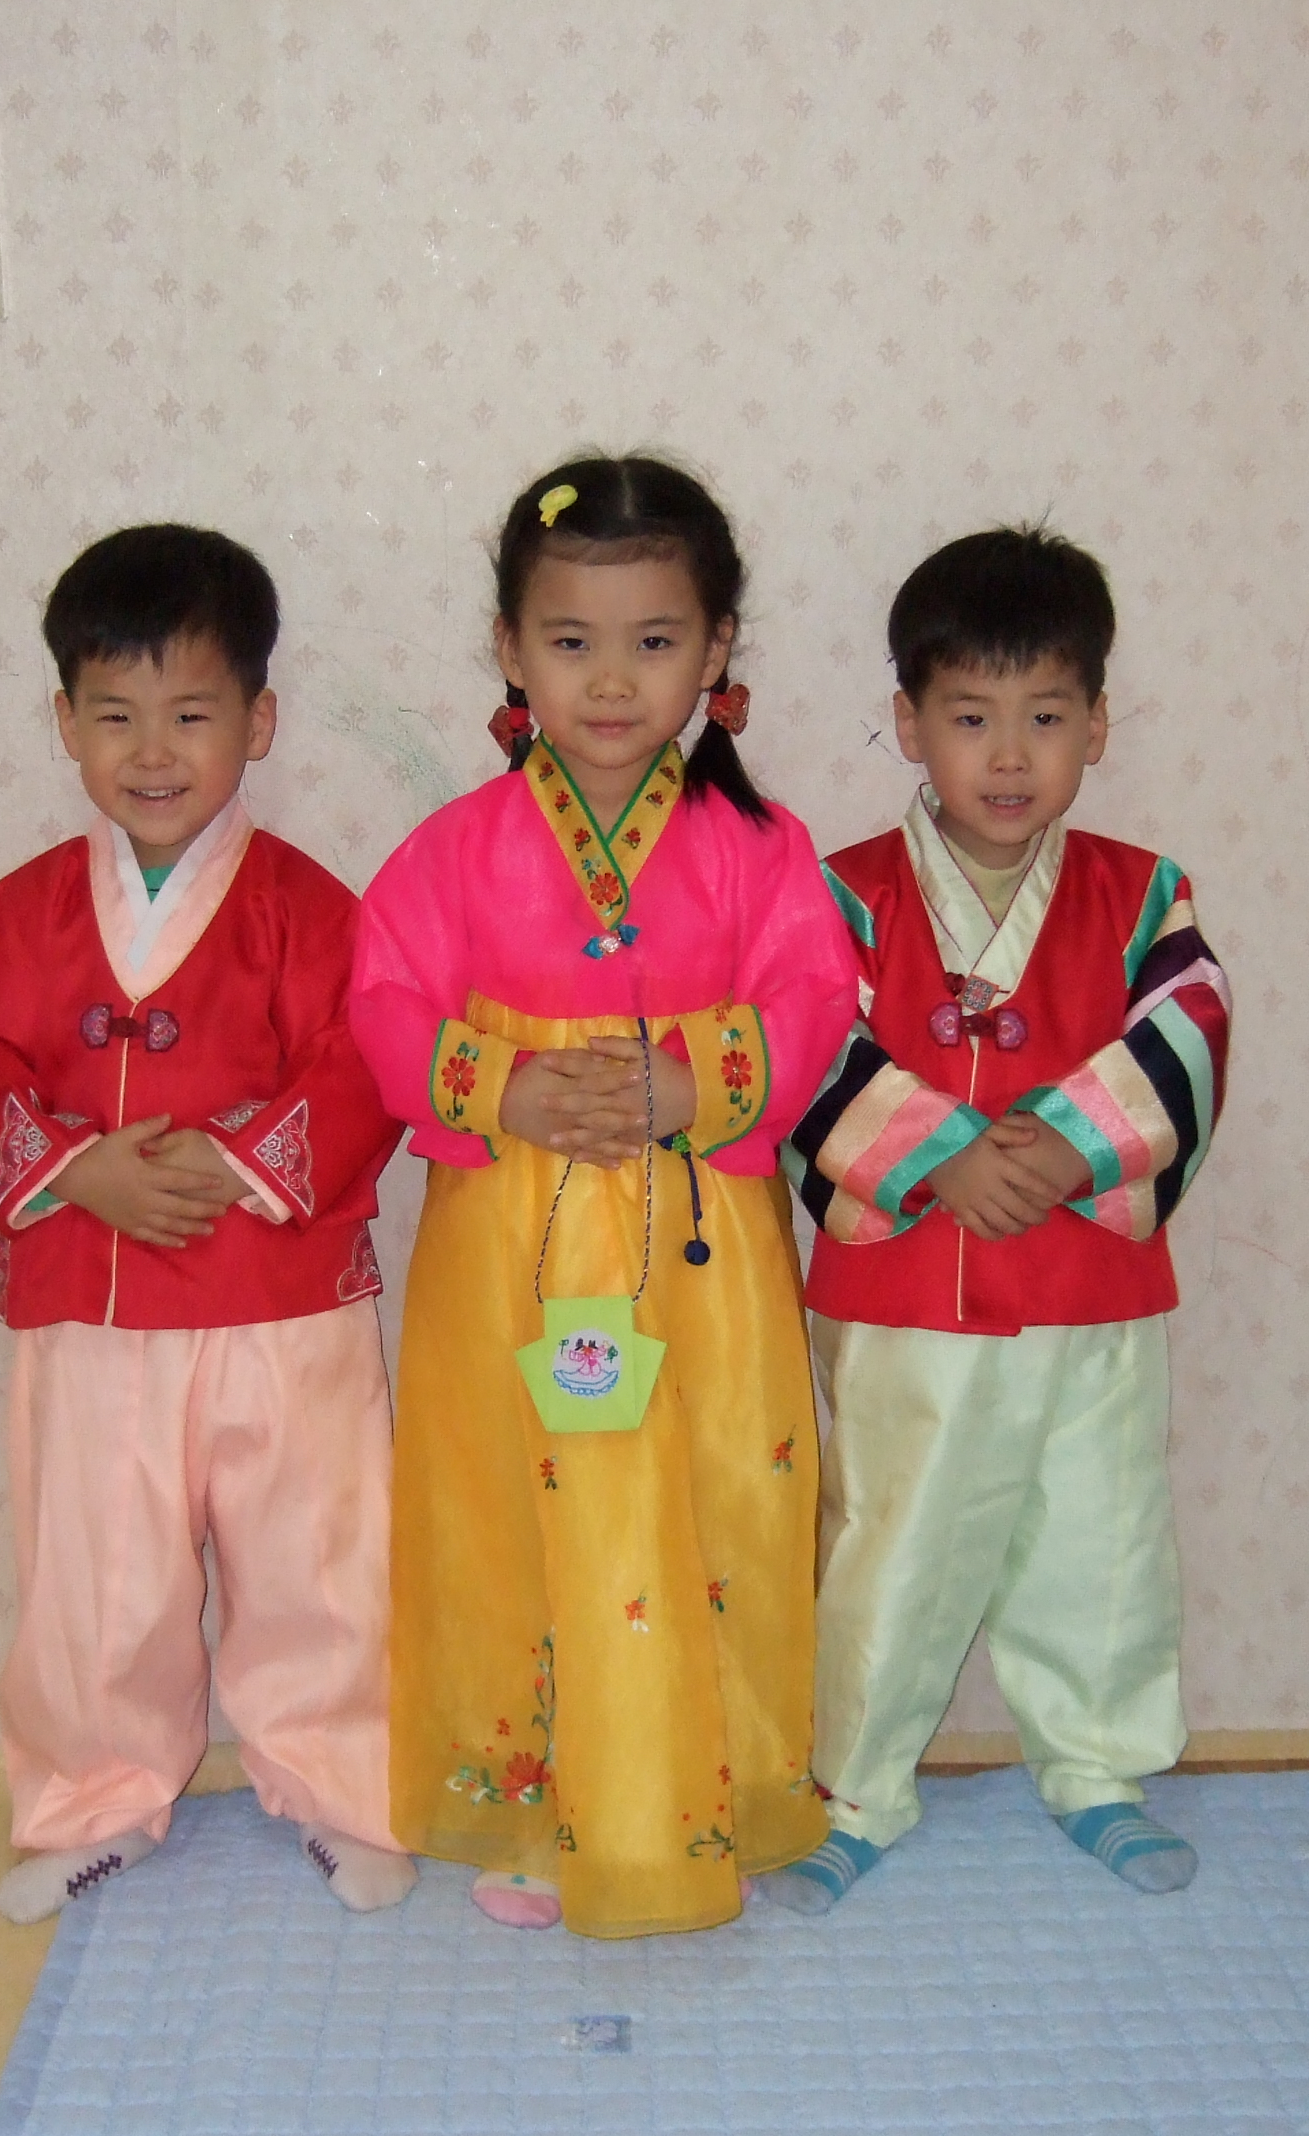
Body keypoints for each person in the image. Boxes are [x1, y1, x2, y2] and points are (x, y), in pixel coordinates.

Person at [348, 455, 858, 1938]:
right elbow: (382, 1001)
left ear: (717, 652)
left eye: (656, 641)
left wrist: (694, 1084)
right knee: (511, 1508)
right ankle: (540, 1802)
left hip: (694, 1252)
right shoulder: (454, 850)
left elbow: (817, 999)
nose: (615, 681)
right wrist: (498, 1086)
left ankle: (706, 1793)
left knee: (712, 1502)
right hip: (511, 1244)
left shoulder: (761, 850)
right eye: (571, 642)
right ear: (510, 651)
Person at [0, 524, 414, 1923]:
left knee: (317, 1561)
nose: (153, 751)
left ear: (260, 721)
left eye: (192, 714)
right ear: (63, 722)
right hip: (90, 1309)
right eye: (115, 715)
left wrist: (237, 1163)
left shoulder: (317, 915)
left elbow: (365, 1059)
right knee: (94, 1574)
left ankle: (344, 1791)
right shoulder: (5, 928)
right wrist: (80, 1170)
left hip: (282, 1306)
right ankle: (94, 1799)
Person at [761, 525, 1232, 1913]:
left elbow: (1192, 1028)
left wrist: (1073, 1148)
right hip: (909, 1294)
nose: (1010, 755)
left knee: (1101, 1537)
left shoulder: (1144, 891)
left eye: (1046, 717)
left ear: (1099, 725)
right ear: (909, 723)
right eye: (971, 718)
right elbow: (798, 1040)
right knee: (894, 1542)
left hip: (1090, 1290)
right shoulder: (843, 890)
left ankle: (1098, 1769)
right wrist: (942, 1158)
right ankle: (855, 1785)